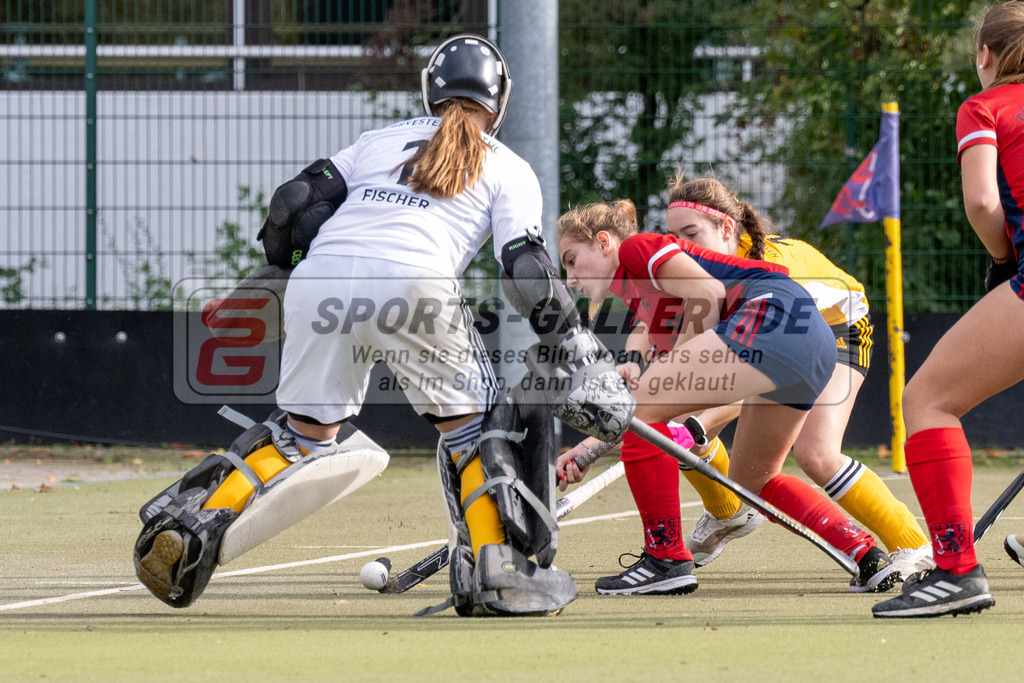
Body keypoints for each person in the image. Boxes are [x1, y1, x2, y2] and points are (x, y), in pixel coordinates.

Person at [132, 34, 632, 617]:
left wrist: (271, 280)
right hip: (415, 285)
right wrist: (577, 347)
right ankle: (499, 570)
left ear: (429, 91)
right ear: (500, 105)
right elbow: (525, 268)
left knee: (302, 435)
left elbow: (294, 204)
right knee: (474, 430)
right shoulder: (508, 166)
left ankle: (194, 518)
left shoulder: (377, 141)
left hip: (320, 282)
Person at [555, 199, 902, 596]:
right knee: (755, 478)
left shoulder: (638, 249)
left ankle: (665, 559)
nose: (570, 279)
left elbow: (707, 291)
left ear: (603, 243)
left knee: (641, 413)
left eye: (571, 260)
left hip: (771, 314)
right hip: (813, 340)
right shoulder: (648, 299)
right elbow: (647, 404)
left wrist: (671, 367)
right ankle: (864, 552)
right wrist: (587, 449)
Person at [661, 174, 932, 580]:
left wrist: (698, 422)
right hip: (790, 344)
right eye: (672, 235)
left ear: (727, 229)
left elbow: (751, 378)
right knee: (749, 477)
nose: (681, 245)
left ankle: (913, 545)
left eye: (691, 233)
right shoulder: (705, 277)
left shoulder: (767, 276)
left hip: (841, 331)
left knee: (817, 453)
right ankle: (728, 514)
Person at [872, 2, 1024, 618]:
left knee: (927, 400)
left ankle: (957, 571)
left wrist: (1004, 255)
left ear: (985, 54)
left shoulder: (984, 107)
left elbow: (984, 201)